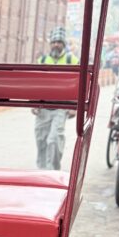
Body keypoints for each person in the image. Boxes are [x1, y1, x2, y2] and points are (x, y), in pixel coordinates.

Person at [33, 26, 79, 171]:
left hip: (61, 107)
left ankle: (53, 172)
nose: (56, 45)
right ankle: (42, 172)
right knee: (41, 140)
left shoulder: (72, 60)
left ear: (63, 44)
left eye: (59, 42)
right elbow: (35, 83)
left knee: (53, 140)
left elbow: (79, 84)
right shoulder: (42, 60)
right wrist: (34, 103)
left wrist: (74, 106)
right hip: (43, 107)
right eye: (53, 42)